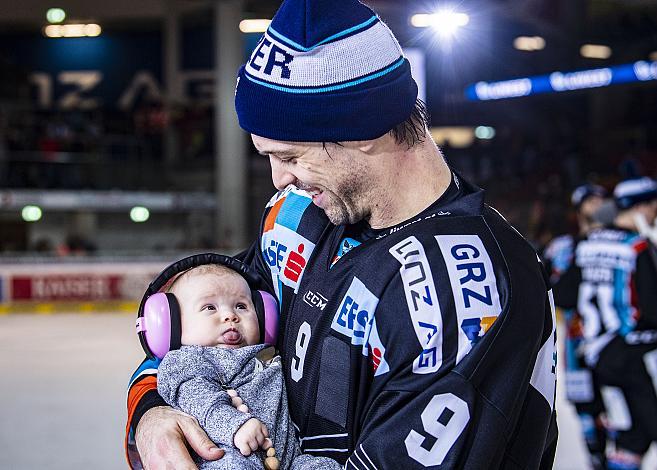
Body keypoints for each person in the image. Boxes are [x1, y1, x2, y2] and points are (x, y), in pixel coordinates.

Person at [126, 0, 558, 468]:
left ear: (363, 129)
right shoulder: (296, 214)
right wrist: (150, 413)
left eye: (291, 156)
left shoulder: (466, 291)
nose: (279, 180)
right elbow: (188, 330)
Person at [146, 258, 340, 470]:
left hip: (287, 459)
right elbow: (200, 399)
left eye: (241, 306)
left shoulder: (267, 354)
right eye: (210, 307)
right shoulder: (186, 361)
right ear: (173, 324)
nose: (230, 316)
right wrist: (234, 425)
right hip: (226, 453)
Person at [554, 177, 657, 469]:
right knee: (637, 428)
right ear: (641, 207)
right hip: (633, 352)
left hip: (596, 353)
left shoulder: (585, 244)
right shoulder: (636, 245)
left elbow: (562, 294)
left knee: (632, 434)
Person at [543, 184, 610, 469]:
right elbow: (549, 289)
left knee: (615, 405)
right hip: (576, 339)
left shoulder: (620, 241)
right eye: (592, 201)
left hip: (611, 341)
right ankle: (597, 458)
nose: (598, 206)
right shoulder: (562, 248)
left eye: (602, 200)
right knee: (586, 406)